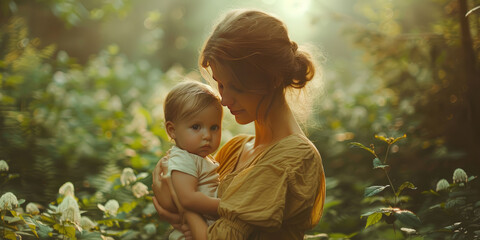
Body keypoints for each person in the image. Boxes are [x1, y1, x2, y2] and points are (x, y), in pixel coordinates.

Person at [153, 9, 326, 240]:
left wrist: (185, 207)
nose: (224, 100)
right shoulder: (233, 149)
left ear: (273, 79)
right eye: (221, 85)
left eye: (237, 87)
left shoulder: (294, 158)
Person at [154, 81, 223, 240]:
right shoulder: (183, 159)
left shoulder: (197, 157)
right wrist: (227, 206)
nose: (207, 135)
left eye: (214, 127)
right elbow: (188, 198)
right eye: (196, 127)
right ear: (172, 130)